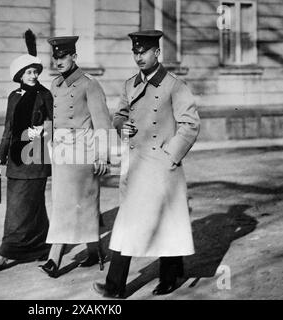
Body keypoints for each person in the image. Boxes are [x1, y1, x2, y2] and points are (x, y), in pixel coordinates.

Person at [93, 30, 201, 297]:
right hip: (137, 165)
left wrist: (171, 156)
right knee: (128, 223)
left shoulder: (175, 85)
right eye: (135, 52)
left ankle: (167, 277)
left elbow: (190, 124)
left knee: (165, 222)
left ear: (157, 53)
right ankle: (117, 285)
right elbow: (118, 116)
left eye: (144, 52)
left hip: (162, 167)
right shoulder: (129, 84)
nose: (139, 57)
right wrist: (122, 126)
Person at [0, 30, 53, 271]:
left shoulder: (45, 95)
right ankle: (42, 247)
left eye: (35, 72)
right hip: (16, 162)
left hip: (37, 159)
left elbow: (58, 122)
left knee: (21, 208)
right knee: (32, 207)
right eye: (28, 72)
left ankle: (5, 253)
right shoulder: (13, 97)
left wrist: (42, 130)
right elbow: (8, 130)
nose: (33, 76)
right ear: (20, 75)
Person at [38, 36, 112, 278]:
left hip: (83, 150)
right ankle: (95, 252)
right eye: (55, 57)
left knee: (79, 204)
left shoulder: (90, 84)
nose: (58, 61)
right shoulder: (55, 85)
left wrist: (102, 155)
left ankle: (54, 259)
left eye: (63, 56)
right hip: (61, 151)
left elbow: (102, 121)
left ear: (74, 57)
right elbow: (52, 118)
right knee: (69, 203)